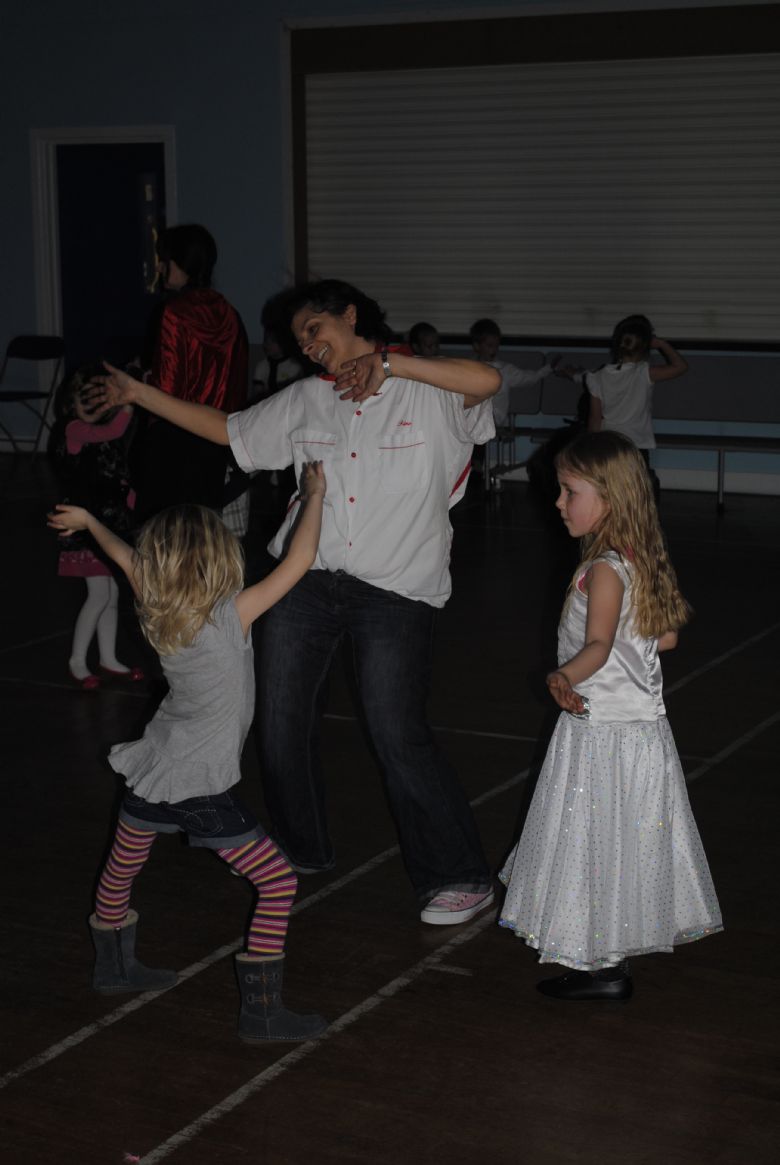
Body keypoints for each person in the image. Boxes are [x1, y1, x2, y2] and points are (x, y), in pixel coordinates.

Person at [87, 278, 501, 926]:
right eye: (301, 338)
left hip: (396, 588)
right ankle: (301, 848)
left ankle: (457, 874)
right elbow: (229, 430)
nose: (309, 346)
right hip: (305, 580)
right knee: (278, 723)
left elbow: (486, 382)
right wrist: (139, 393)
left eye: (315, 329)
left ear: (351, 315)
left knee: (397, 731)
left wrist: (390, 363)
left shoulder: (430, 390)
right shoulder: (309, 399)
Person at [47, 463, 328, 1043]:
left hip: (153, 766)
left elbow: (124, 555)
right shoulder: (229, 617)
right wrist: (316, 496)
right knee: (277, 883)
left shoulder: (153, 600)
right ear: (220, 560)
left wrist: (91, 522)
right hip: (197, 782)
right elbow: (299, 562)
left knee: (124, 863)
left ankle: (114, 967)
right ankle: (263, 1012)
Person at [499, 430, 722, 1000]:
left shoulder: (602, 569)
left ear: (609, 497)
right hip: (644, 731)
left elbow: (597, 645)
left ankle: (599, 964)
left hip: (601, 730)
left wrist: (562, 676)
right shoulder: (634, 561)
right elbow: (665, 638)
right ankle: (609, 964)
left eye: (568, 491)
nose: (557, 502)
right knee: (620, 841)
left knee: (590, 841)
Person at [134, 223, 249, 522]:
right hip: (215, 435)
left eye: (165, 259)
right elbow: (237, 383)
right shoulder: (229, 313)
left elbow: (166, 389)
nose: (160, 267)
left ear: (180, 263)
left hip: (173, 435)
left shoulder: (173, 312)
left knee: (163, 531)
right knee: (202, 526)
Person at [49, 365, 144, 690]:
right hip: (83, 531)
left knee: (111, 594)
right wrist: (131, 403)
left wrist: (130, 500)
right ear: (70, 404)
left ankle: (107, 658)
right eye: (85, 401)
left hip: (106, 526)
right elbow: (109, 432)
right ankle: (77, 660)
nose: (92, 409)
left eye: (97, 402)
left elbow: (115, 473)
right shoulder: (73, 429)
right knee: (99, 594)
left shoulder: (99, 435)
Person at [559, 315, 688, 500]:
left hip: (609, 446)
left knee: (610, 496)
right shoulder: (644, 373)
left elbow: (595, 419)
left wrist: (591, 450)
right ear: (645, 347)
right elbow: (681, 366)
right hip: (635, 447)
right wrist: (661, 344)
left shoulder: (598, 376)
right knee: (637, 499)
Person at [469, 318, 555, 427]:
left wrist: (547, 369)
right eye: (490, 345)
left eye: (496, 346)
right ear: (477, 346)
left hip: (492, 422)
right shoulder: (467, 368)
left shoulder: (505, 370)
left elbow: (529, 378)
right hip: (470, 423)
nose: (494, 350)